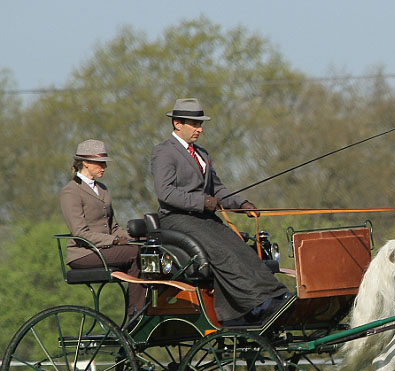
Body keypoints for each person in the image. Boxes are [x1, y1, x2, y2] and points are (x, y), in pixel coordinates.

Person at [150, 98, 291, 326]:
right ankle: (260, 303)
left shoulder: (203, 154)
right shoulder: (164, 152)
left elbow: (218, 190)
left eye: (200, 124)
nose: (200, 129)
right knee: (221, 251)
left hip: (203, 218)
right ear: (177, 123)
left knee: (239, 246)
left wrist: (241, 204)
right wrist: (202, 201)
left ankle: (271, 297)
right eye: (194, 124)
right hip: (176, 220)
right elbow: (165, 193)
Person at [60, 139, 146, 316]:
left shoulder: (103, 189)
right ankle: (136, 313)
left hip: (105, 248)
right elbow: (79, 232)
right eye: (100, 163)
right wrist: (114, 241)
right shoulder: (71, 191)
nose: (104, 167)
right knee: (133, 254)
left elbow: (113, 226)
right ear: (85, 162)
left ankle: (151, 306)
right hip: (84, 253)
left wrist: (134, 238)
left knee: (146, 249)